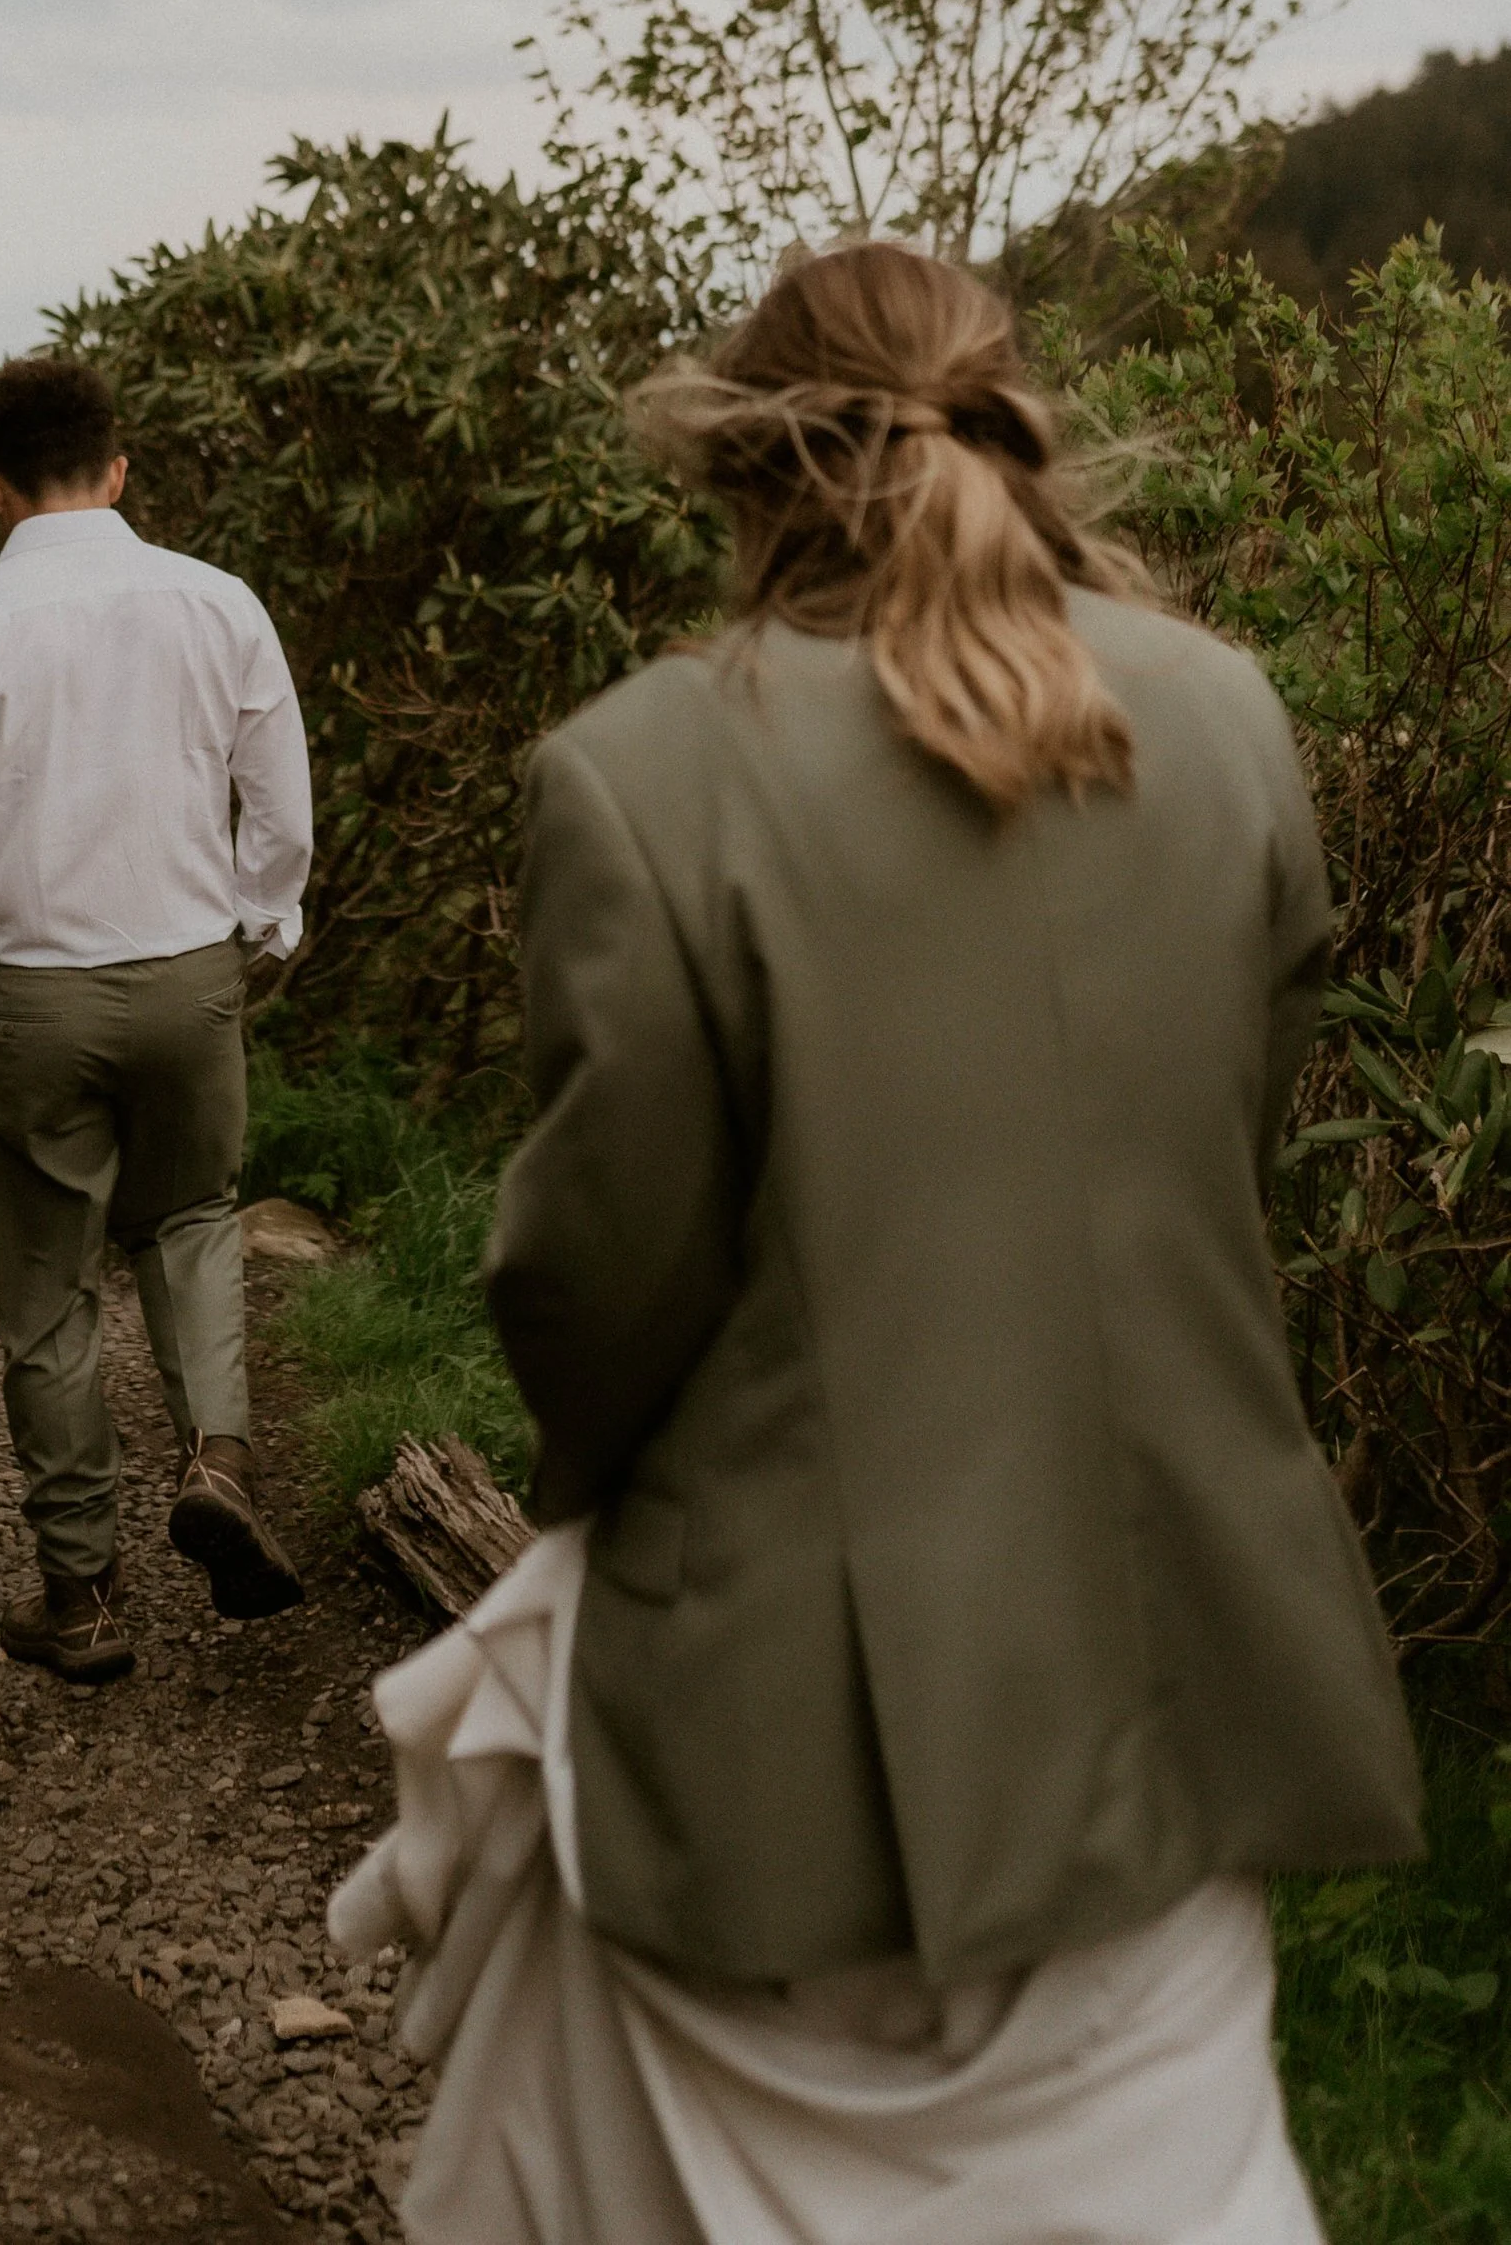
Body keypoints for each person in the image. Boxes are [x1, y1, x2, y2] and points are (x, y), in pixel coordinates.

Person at [331, 240, 1421, 2245]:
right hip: (1172, 1688)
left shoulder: (638, 777)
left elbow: (592, 1287)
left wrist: (619, 1505)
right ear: (1020, 429)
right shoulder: (1229, 721)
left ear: (742, 469)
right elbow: (1224, 1155)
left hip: (779, 1767)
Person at [0, 351, 314, 1687]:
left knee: (49, 1291)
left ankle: (84, 1601)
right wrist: (262, 929)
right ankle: (217, 1461)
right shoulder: (219, 605)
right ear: (117, 470)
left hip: (26, 1002)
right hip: (186, 980)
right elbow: (280, 808)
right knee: (193, 1216)